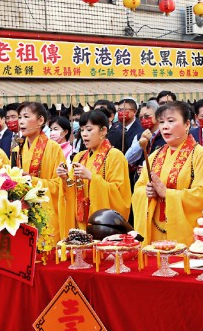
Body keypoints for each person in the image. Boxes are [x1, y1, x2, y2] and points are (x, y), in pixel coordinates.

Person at [132, 101, 203, 244]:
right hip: (155, 229)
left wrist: (167, 194)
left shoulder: (200, 155)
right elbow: (138, 189)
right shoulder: (154, 156)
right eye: (162, 122)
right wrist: (147, 192)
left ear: (187, 124)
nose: (165, 126)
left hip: (184, 233)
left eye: (171, 121)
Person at [56, 109, 131, 235]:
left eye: (89, 130)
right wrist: (65, 178)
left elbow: (120, 195)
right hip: (80, 221)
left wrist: (92, 177)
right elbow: (72, 188)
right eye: (82, 130)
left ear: (103, 131)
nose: (84, 134)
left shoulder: (115, 156)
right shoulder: (79, 157)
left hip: (102, 225)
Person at [15, 102, 67, 240]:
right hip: (22, 214)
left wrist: (33, 181)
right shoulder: (16, 150)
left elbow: (59, 185)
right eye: (19, 117)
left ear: (40, 120)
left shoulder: (53, 148)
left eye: (26, 116)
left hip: (46, 213)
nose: (21, 121)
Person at [126, 101, 165, 183]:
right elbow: (127, 159)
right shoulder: (139, 136)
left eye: (147, 116)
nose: (143, 119)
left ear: (158, 116)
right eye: (140, 118)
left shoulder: (166, 136)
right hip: (140, 183)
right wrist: (140, 144)